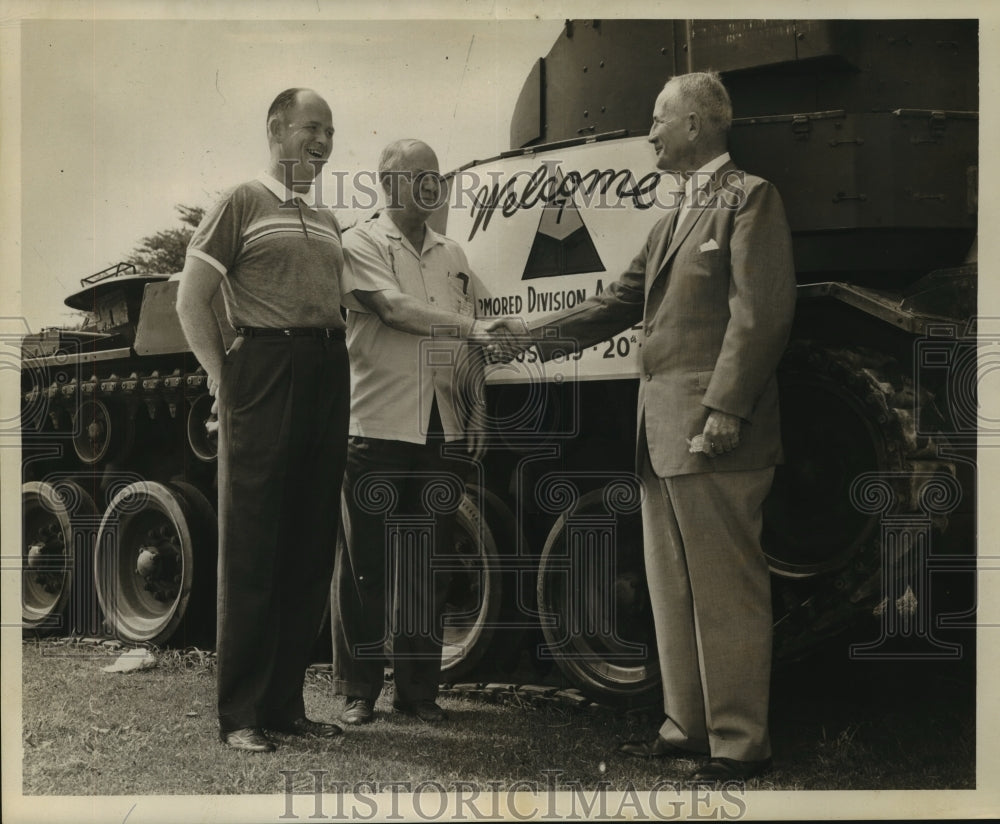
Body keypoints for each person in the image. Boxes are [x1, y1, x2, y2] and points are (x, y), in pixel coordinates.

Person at [492, 72, 796, 782]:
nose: (650, 132)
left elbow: (763, 316)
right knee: (676, 589)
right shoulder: (669, 223)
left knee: (727, 590)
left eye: (658, 119)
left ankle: (739, 743)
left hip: (716, 432)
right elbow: (614, 303)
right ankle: (687, 725)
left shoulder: (748, 199)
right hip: (661, 436)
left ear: (697, 123)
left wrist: (726, 406)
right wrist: (527, 333)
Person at [176, 88, 349, 753]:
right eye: (312, 127)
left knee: (308, 546)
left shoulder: (328, 219)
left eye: (331, 131)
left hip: (328, 372)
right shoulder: (241, 201)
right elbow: (192, 297)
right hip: (264, 372)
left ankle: (284, 706)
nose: (324, 140)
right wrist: (224, 379)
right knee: (253, 548)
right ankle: (241, 715)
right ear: (276, 130)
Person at [331, 139, 514, 726]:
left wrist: (477, 405)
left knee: (427, 562)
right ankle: (359, 691)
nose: (432, 185)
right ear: (387, 183)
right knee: (366, 564)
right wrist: (471, 328)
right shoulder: (360, 242)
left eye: (436, 176)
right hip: (377, 423)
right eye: (418, 175)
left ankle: (418, 693)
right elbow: (395, 312)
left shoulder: (452, 252)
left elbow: (473, 339)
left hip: (442, 427)